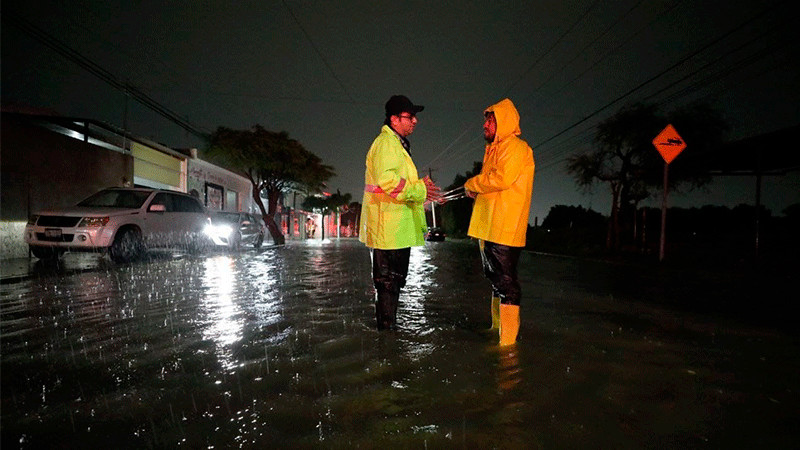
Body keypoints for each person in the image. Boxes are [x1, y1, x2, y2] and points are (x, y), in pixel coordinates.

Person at [359, 95, 442, 330]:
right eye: (410, 116)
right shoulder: (386, 144)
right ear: (394, 119)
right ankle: (387, 343)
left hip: (394, 228)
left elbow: (398, 184)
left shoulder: (396, 144)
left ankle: (388, 338)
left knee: (392, 283)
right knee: (388, 284)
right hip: (389, 228)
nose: (415, 121)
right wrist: (419, 188)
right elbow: (388, 181)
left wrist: (421, 190)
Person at [463, 98, 534, 346]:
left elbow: (501, 179)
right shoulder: (495, 149)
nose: (485, 124)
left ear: (503, 122)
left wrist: (472, 184)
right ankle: (496, 331)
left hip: (504, 229)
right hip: (489, 227)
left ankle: (508, 348)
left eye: (490, 119)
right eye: (486, 119)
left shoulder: (516, 147)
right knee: (496, 283)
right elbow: (490, 182)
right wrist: (476, 188)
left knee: (507, 285)